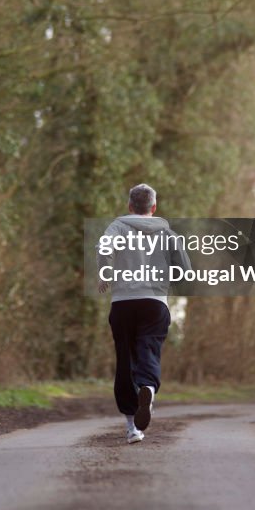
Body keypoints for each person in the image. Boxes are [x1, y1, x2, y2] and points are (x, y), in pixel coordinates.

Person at [97, 183, 191, 444]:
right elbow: (184, 270)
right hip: (154, 302)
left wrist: (104, 272)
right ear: (154, 207)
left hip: (123, 302)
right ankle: (148, 389)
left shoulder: (117, 226)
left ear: (130, 206)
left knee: (125, 358)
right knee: (148, 349)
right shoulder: (168, 232)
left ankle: (132, 428)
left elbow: (103, 248)